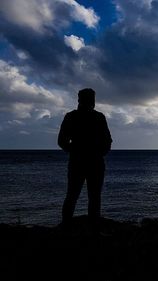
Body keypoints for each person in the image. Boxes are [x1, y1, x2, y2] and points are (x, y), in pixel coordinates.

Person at [58, 88, 112, 230]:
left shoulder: (98, 117)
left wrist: (97, 154)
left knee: (91, 198)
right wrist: (78, 152)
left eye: (92, 99)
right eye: (89, 99)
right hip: (81, 163)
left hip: (91, 163)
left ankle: (90, 230)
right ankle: (67, 228)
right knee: (75, 196)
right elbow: (62, 140)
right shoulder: (72, 117)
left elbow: (107, 141)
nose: (91, 102)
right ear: (80, 100)